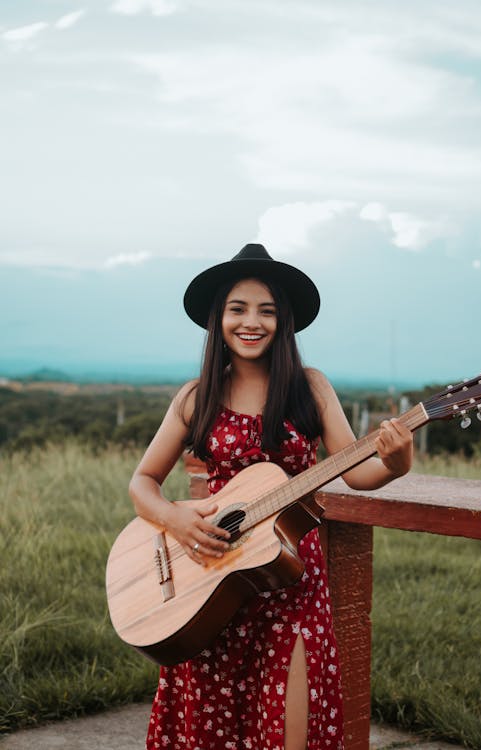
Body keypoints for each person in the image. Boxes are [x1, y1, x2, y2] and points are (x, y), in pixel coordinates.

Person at [129, 243, 413, 750]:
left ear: (284, 322)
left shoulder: (310, 387)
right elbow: (142, 483)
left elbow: (356, 471)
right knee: (213, 722)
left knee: (290, 728)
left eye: (267, 310)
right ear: (218, 320)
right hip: (210, 576)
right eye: (237, 309)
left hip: (291, 579)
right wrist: (174, 520)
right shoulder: (196, 397)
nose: (251, 322)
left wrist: (396, 461)